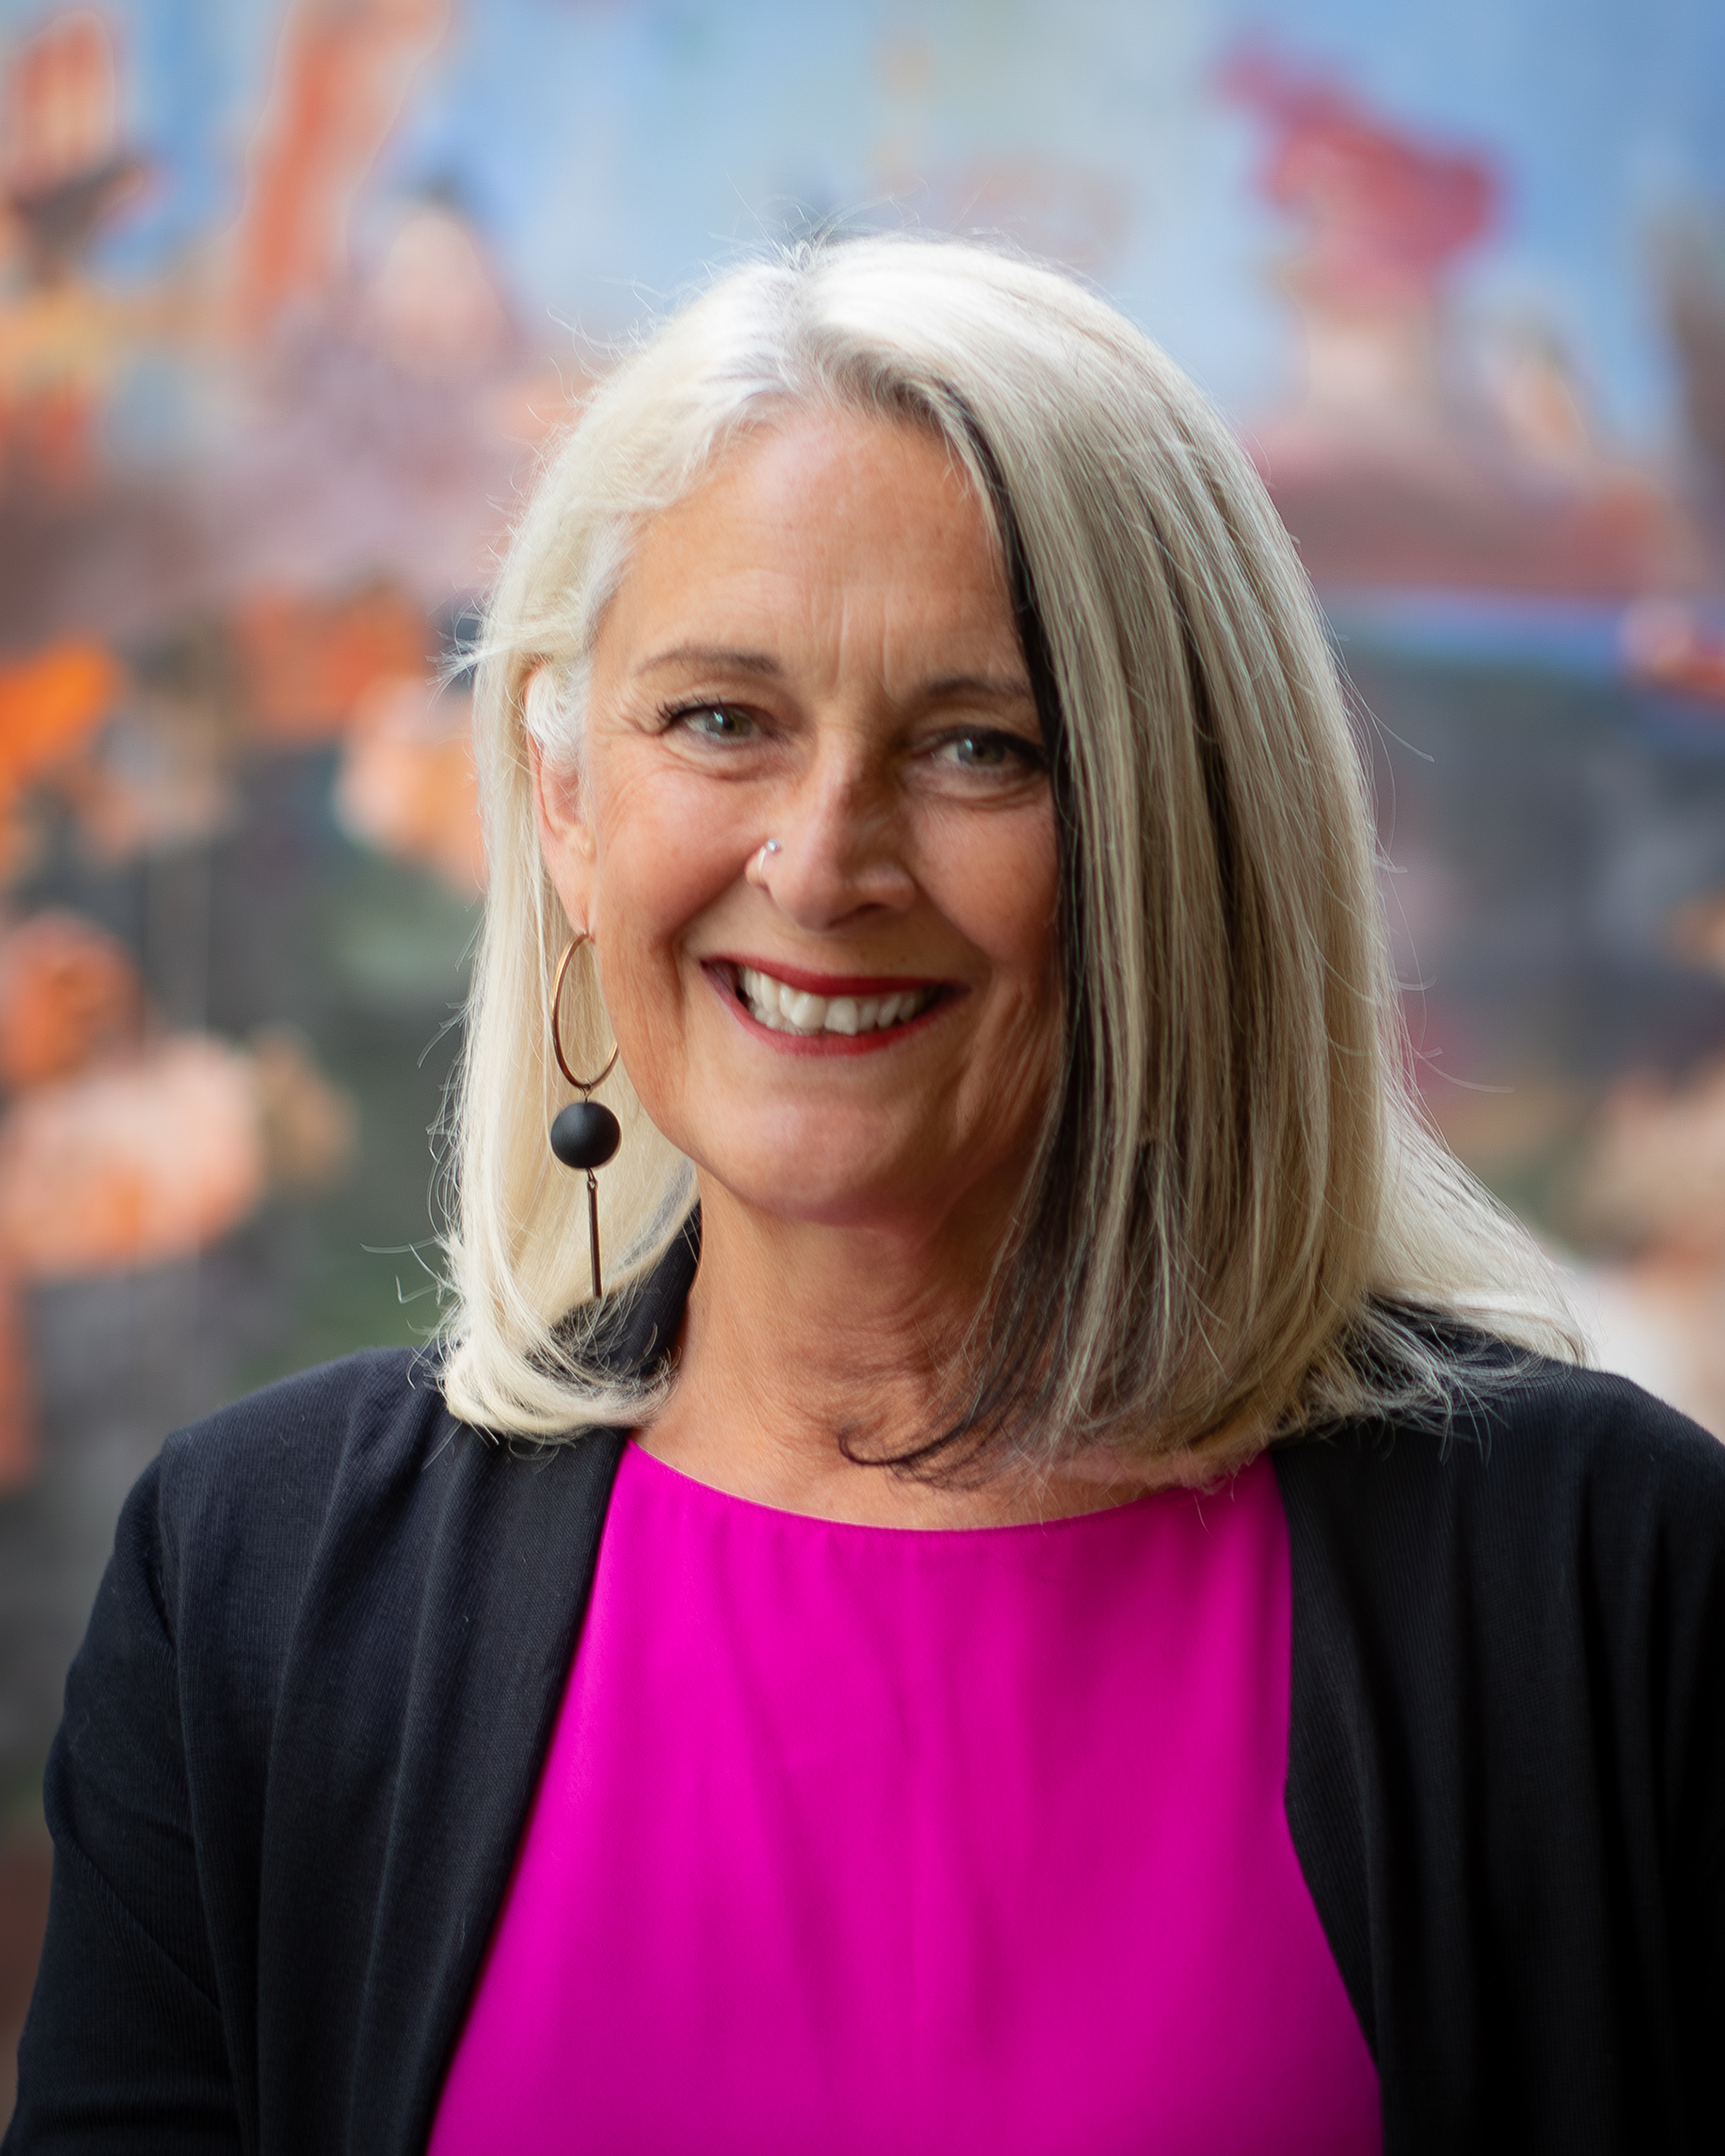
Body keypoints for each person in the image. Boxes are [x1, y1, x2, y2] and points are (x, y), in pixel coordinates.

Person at [7, 236, 1722, 2156]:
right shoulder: (252, 1576)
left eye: (978, 745)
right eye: (721, 717)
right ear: (565, 803)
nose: (821, 865)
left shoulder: (1608, 1575)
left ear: (1187, 833)